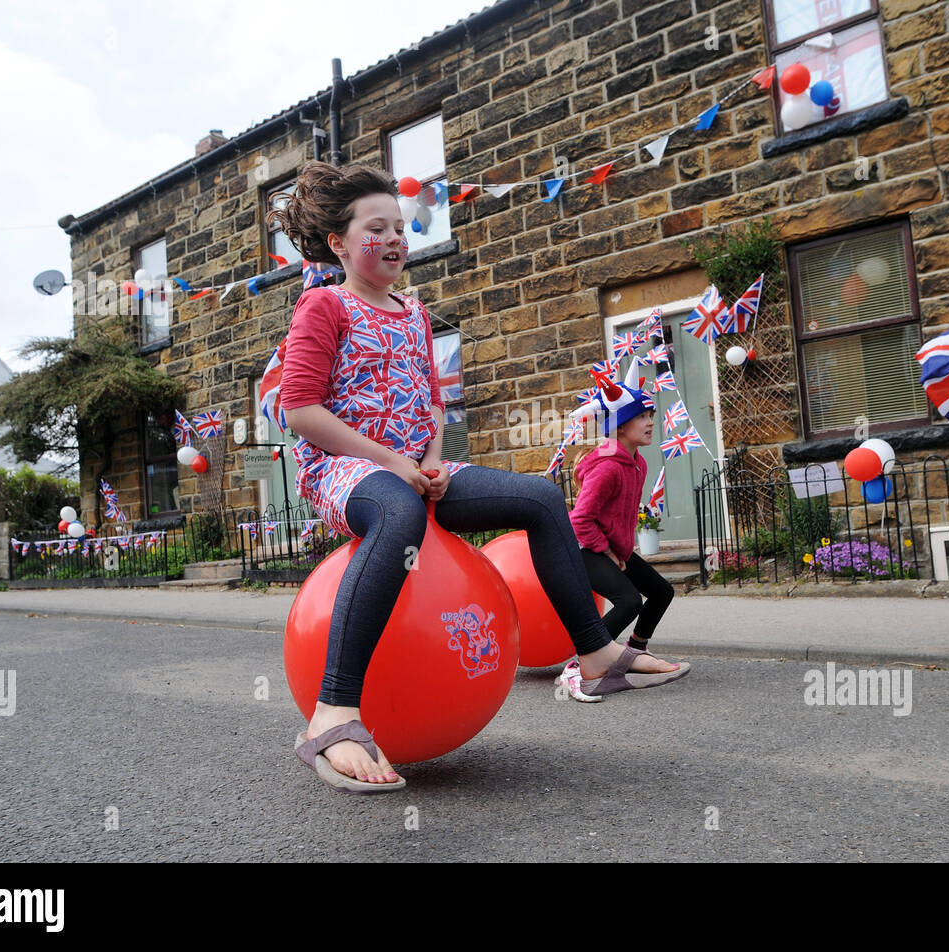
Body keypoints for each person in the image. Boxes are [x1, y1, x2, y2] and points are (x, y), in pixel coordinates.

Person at [267, 161, 687, 794]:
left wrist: (431, 462)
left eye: (400, 226)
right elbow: (300, 410)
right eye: (375, 228)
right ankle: (333, 714)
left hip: (420, 466)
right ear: (339, 244)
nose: (393, 239)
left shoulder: (414, 311)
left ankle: (596, 653)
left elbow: (433, 403)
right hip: (349, 470)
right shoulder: (324, 305)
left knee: (542, 498)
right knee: (399, 514)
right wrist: (394, 466)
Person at [558, 365, 681, 702]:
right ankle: (576, 666)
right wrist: (608, 552)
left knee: (661, 592)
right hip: (583, 547)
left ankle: (634, 654)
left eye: (651, 414)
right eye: (643, 416)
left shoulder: (637, 462)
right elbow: (579, 519)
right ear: (621, 426)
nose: (651, 421)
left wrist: (619, 551)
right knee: (628, 601)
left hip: (610, 547)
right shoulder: (608, 466)